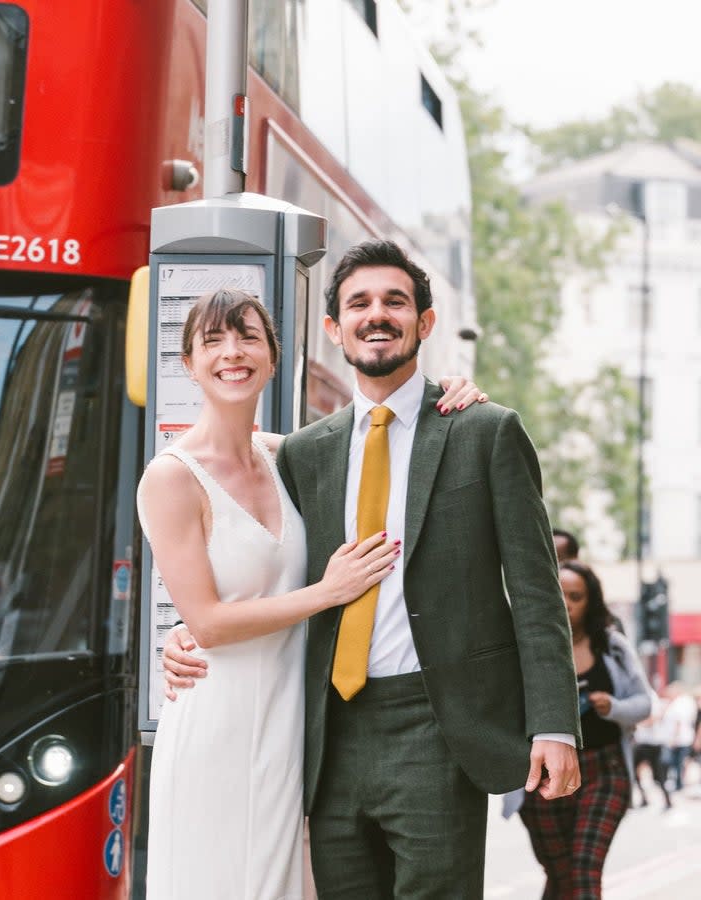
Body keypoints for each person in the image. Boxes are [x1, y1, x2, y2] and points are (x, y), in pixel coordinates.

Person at [164, 239, 581, 898]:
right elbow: (260, 560)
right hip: (324, 734)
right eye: (358, 303)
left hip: (439, 727)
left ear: (425, 321)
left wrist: (555, 725)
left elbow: (536, 593)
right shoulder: (304, 454)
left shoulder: (484, 432)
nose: (376, 314)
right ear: (334, 330)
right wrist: (187, 631)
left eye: (395, 301)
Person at [138, 287, 485, 900]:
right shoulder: (170, 477)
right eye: (212, 341)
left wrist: (454, 393)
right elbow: (210, 623)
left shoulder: (288, 455)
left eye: (248, 336)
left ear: (274, 356)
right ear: (188, 364)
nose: (232, 353)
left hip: (294, 722)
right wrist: (329, 592)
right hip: (218, 719)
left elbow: (390, 433)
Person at [504, 560, 653, 898]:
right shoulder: (521, 645)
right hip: (542, 774)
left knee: (584, 869)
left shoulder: (610, 644)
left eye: (577, 596)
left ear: (591, 601)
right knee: (559, 874)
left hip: (604, 771)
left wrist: (612, 707)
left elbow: (645, 704)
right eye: (561, 594)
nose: (567, 603)